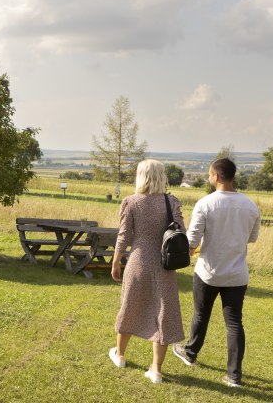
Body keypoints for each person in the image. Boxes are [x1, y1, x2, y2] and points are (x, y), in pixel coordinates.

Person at [173, 158, 260, 388]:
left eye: (210, 174)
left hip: (208, 271)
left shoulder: (205, 204)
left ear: (217, 177)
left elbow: (192, 240)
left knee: (201, 314)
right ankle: (234, 375)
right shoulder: (250, 205)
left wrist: (189, 249)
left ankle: (190, 352)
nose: (209, 178)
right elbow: (252, 238)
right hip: (237, 273)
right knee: (234, 323)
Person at [109, 159, 185, 384]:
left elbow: (123, 235)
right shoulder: (171, 202)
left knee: (130, 305)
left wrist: (115, 262)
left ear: (140, 176)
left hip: (138, 261)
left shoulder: (130, 202)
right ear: (162, 177)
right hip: (165, 263)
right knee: (164, 312)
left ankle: (120, 356)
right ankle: (156, 370)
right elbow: (181, 231)